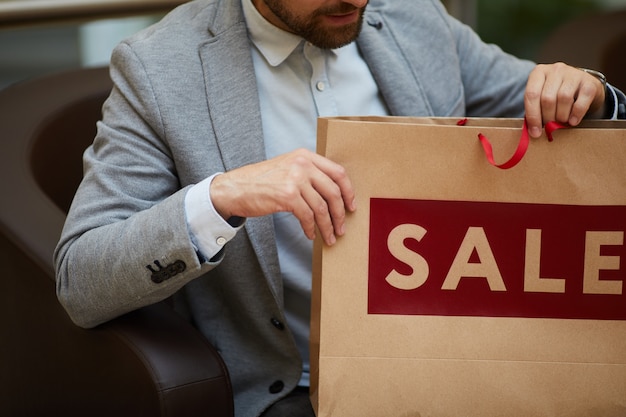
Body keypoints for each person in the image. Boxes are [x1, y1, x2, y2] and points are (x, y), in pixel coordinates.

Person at [53, 0, 626, 416]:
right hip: (295, 389)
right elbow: (81, 278)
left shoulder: (413, 19)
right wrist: (221, 196)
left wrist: (591, 94)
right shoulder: (160, 68)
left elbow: (553, 104)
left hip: (457, 365)